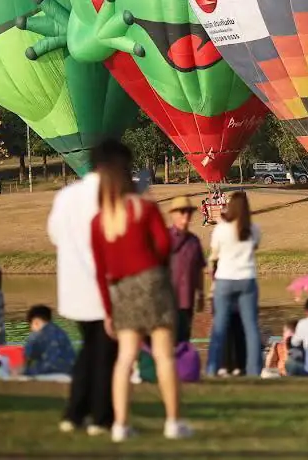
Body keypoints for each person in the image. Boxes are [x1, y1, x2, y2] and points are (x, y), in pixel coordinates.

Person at [89, 152, 190, 442]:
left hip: (121, 289)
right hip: (152, 283)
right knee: (163, 355)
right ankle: (173, 421)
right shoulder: (145, 209)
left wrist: (108, 310)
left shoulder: (99, 222)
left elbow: (100, 271)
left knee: (125, 358)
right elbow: (162, 248)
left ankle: (120, 424)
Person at [48, 140, 123, 436]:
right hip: (105, 287)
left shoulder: (67, 195)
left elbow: (54, 234)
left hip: (73, 288)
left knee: (90, 350)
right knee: (104, 354)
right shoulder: (111, 196)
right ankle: (100, 416)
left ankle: (76, 412)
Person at [207, 191, 263, 378]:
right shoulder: (253, 229)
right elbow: (254, 247)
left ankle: (212, 368)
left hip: (225, 279)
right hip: (247, 278)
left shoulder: (221, 229)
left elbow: (214, 255)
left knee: (220, 325)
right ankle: (254, 370)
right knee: (251, 327)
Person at [166, 197, 204, 346]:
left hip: (187, 301)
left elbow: (199, 268)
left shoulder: (194, 241)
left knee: (183, 341)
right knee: (167, 343)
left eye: (189, 212)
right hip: (167, 302)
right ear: (173, 214)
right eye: (182, 212)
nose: (186, 216)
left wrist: (201, 293)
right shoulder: (164, 237)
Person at [22, 305, 76, 376]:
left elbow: (51, 364)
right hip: (69, 373)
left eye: (30, 325)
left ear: (36, 322)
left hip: (59, 374)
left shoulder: (43, 335)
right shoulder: (57, 331)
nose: (31, 329)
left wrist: (25, 372)